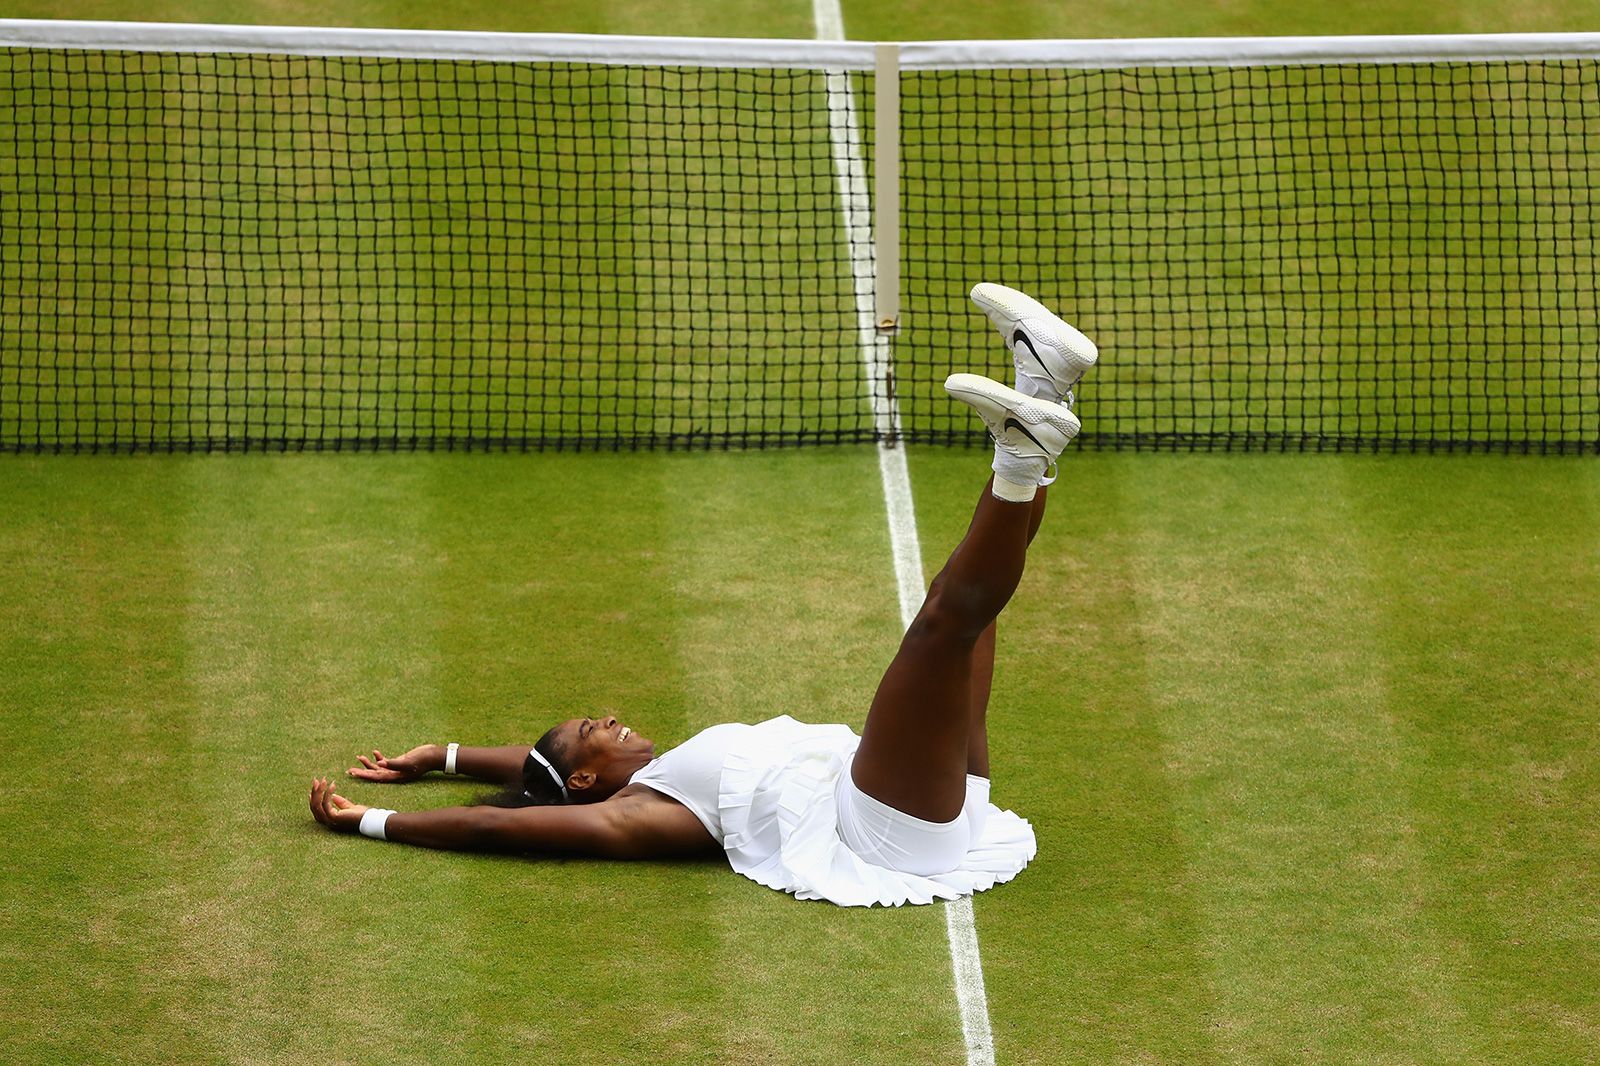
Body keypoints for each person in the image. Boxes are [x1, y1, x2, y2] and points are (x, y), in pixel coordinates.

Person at [308, 283, 1098, 907]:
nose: (610, 718)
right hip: (889, 832)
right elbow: (494, 822)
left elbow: (533, 771)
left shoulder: (630, 776)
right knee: (941, 627)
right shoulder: (640, 815)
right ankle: (1023, 450)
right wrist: (371, 822)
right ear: (589, 779)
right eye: (595, 728)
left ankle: (1041, 391)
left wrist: (440, 755)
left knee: (964, 612)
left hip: (921, 799)